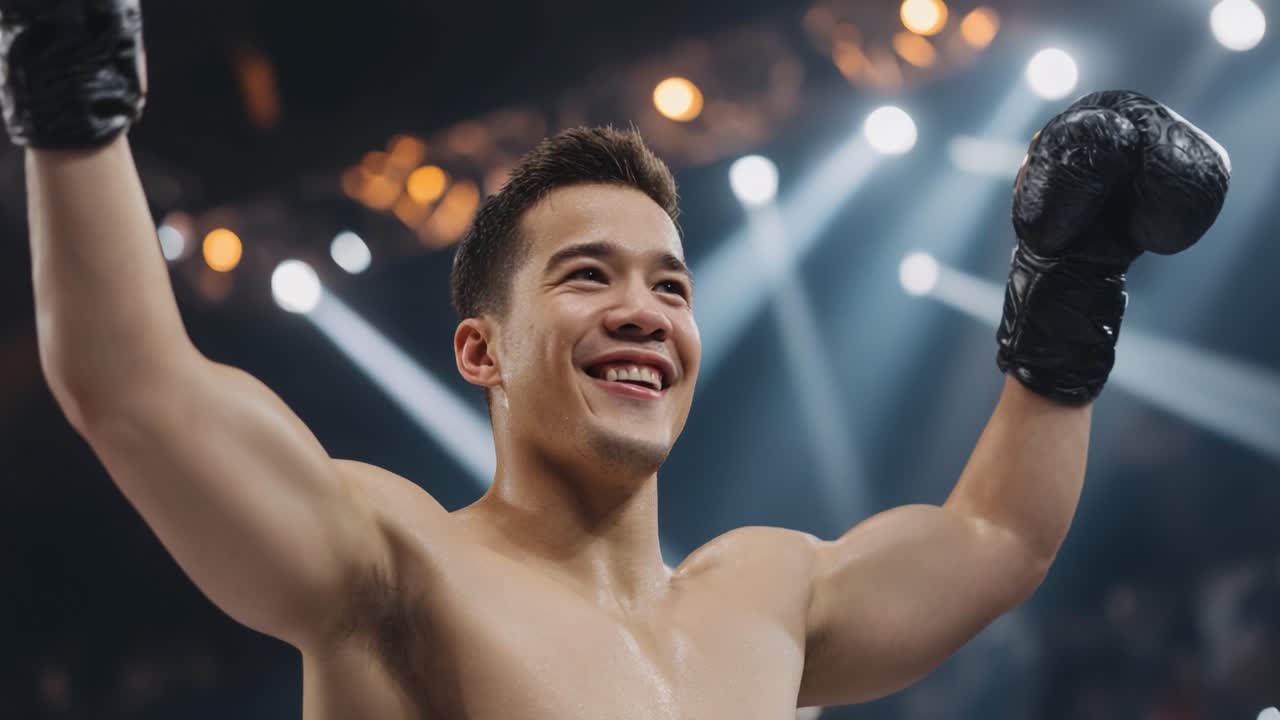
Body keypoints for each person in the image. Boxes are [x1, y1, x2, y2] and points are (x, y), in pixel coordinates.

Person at [3, 1, 1230, 717]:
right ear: (479, 350)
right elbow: (136, 387)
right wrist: (74, 90)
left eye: (671, 284)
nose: (644, 309)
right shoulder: (393, 565)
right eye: (586, 275)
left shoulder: (766, 595)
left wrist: (1071, 282)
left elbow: (994, 541)